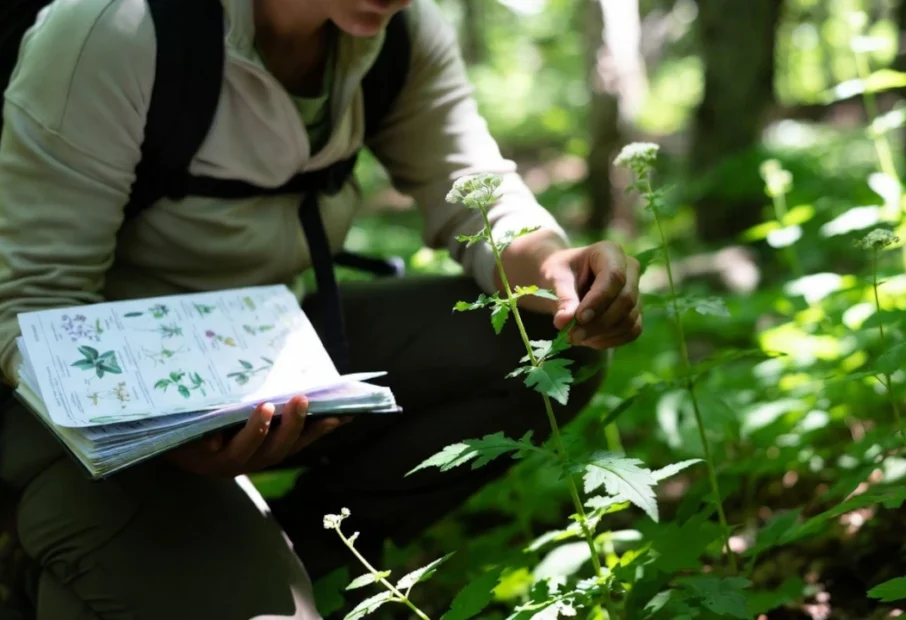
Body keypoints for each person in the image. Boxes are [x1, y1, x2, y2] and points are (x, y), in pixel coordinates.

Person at [0, 0, 643, 617]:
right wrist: (163, 439)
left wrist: (554, 267)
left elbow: (474, 190)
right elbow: (29, 304)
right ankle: (45, 554)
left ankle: (301, 553)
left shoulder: (402, 34)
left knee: (546, 349)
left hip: (262, 352)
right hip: (82, 411)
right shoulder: (117, 28)